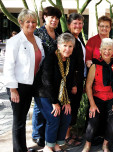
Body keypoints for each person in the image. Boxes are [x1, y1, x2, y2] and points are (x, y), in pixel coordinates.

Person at [3, 9, 45, 152]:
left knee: (24, 117)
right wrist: (13, 89)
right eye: (28, 21)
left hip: (30, 85)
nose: (31, 24)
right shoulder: (15, 41)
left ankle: (22, 147)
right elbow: (8, 66)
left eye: (33, 21)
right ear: (21, 23)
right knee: (19, 120)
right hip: (18, 86)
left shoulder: (37, 40)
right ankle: (19, 150)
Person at [33, 33, 75, 152]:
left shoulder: (69, 61)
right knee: (54, 117)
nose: (67, 49)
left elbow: (69, 82)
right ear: (58, 46)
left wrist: (67, 101)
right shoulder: (51, 58)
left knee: (66, 115)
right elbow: (47, 82)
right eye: (65, 45)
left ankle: (57, 143)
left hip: (60, 94)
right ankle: (48, 146)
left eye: (70, 46)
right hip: (44, 93)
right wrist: (54, 102)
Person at [82, 38, 113, 152]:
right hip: (97, 98)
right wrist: (92, 104)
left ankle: (106, 144)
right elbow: (88, 86)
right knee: (93, 118)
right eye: (104, 49)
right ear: (100, 51)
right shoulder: (95, 65)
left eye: (110, 49)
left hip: (112, 98)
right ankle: (88, 143)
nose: (107, 51)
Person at [32, 6, 62, 147]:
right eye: (51, 17)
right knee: (39, 107)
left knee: (46, 106)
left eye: (56, 18)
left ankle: (44, 133)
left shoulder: (58, 34)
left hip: (52, 75)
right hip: (39, 74)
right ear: (45, 17)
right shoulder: (38, 33)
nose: (54, 20)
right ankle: (37, 134)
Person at [65, 12, 86, 146]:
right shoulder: (68, 38)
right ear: (69, 25)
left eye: (80, 23)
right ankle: (66, 137)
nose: (78, 26)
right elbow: (69, 64)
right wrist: (73, 84)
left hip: (78, 80)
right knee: (69, 108)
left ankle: (68, 132)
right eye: (75, 23)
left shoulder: (78, 38)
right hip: (71, 82)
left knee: (74, 107)